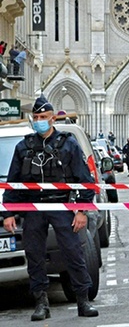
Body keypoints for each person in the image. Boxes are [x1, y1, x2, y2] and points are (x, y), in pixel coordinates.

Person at [1, 95, 99, 320]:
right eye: (36, 117)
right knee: (34, 255)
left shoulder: (68, 144)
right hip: (33, 208)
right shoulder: (24, 147)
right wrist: (8, 213)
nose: (39, 121)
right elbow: (13, 183)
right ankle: (41, 303)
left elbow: (85, 180)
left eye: (43, 117)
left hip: (61, 205)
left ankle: (82, 301)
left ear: (53, 118)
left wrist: (82, 210)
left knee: (74, 253)